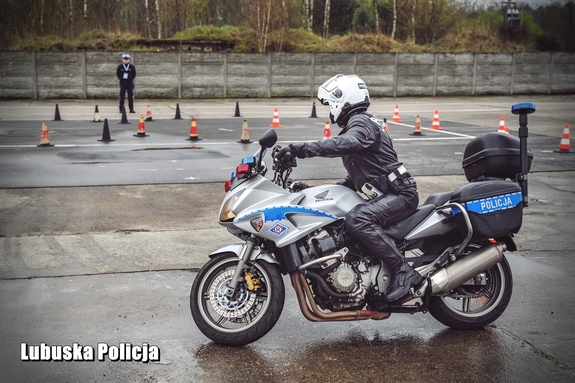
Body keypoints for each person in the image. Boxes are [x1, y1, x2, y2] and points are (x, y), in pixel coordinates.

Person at [274, 74, 423, 302]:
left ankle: (403, 269)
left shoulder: (361, 123)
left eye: (330, 103)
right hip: (389, 192)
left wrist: (300, 149)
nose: (330, 110)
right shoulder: (362, 125)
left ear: (341, 100)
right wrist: (310, 192)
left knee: (358, 219)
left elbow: (347, 143)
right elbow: (354, 181)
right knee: (341, 222)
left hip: (401, 194)